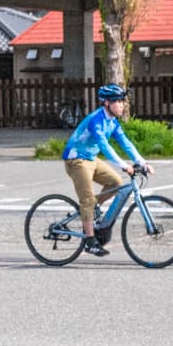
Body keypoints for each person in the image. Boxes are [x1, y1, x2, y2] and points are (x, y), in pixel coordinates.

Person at [62, 84, 148, 257]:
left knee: (116, 182)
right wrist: (124, 165)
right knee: (87, 199)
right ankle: (90, 241)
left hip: (91, 158)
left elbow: (125, 143)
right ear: (107, 103)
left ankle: (92, 209)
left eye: (123, 101)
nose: (122, 105)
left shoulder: (112, 122)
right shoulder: (96, 120)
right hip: (76, 159)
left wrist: (141, 161)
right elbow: (105, 146)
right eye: (118, 102)